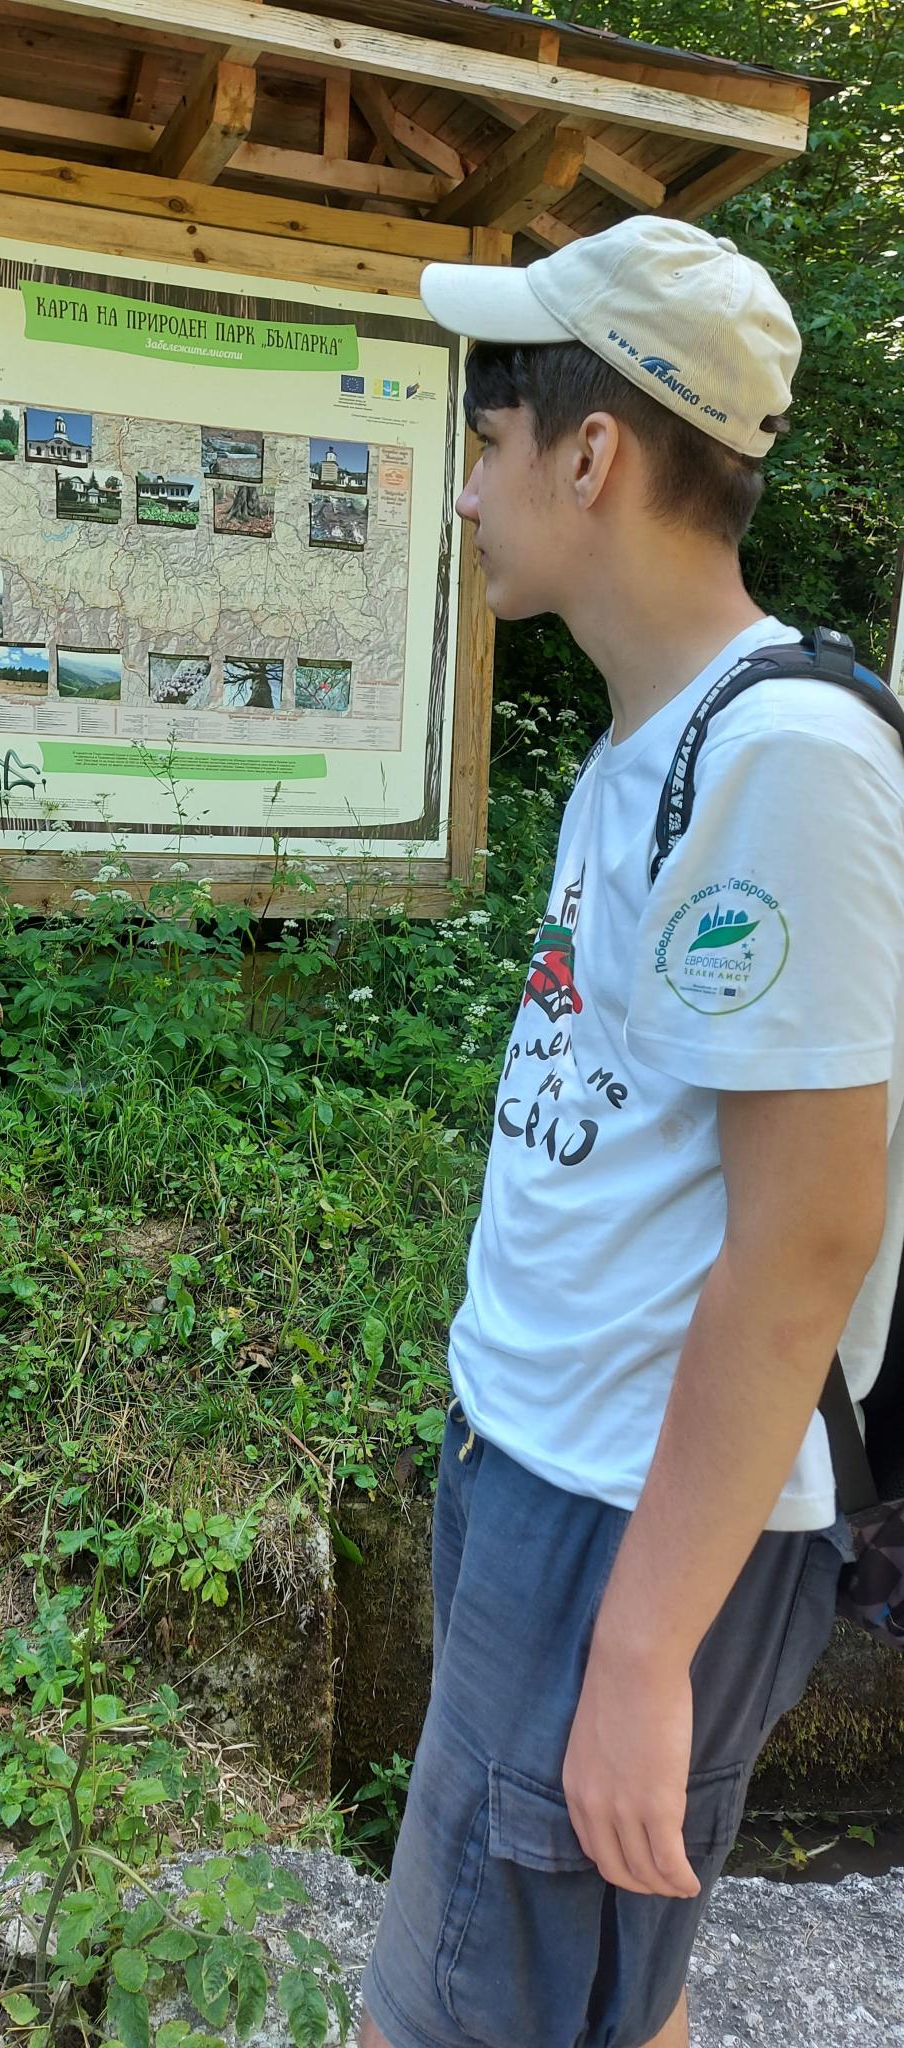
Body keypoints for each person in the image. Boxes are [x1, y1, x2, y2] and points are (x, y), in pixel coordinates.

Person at [358, 216, 904, 2048]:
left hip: (622, 1517)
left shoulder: (783, 759)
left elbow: (810, 1235)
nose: (465, 494)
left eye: (489, 441)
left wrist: (648, 1650)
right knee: (606, 1996)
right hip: (549, 1464)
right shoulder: (654, 745)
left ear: (591, 454)